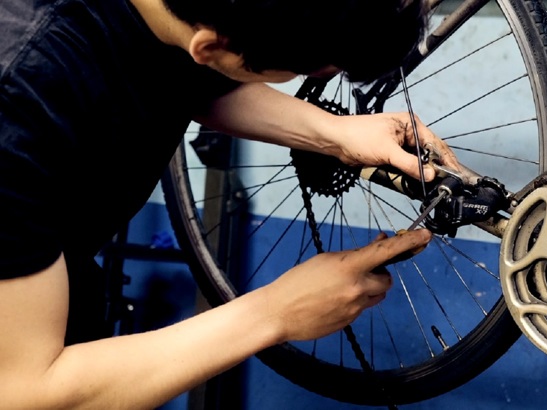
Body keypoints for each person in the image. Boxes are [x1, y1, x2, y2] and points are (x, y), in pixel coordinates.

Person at [0, 0, 459, 408]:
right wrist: (275, 313)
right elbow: (26, 390)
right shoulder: (17, 101)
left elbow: (188, 77)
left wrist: (335, 133)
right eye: (305, 72)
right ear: (212, 48)